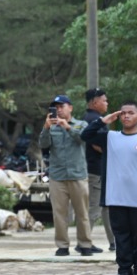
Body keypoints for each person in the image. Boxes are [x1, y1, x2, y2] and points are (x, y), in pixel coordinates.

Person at [83, 101, 137, 275]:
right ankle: (124, 270)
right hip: (116, 196)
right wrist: (103, 121)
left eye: (131, 113)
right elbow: (85, 135)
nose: (126, 116)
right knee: (121, 235)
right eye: (123, 113)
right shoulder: (109, 137)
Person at [39, 95, 97, 257]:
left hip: (78, 175)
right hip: (58, 176)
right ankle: (62, 245)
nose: (58, 109)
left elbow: (83, 139)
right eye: (55, 107)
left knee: (82, 213)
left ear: (70, 108)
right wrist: (46, 127)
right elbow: (43, 145)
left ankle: (85, 244)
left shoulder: (81, 124)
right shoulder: (51, 126)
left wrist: (68, 127)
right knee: (59, 214)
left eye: (61, 106)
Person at [82, 88, 116, 252]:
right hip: (95, 169)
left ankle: (114, 241)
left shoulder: (93, 118)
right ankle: (84, 242)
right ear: (95, 102)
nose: (106, 103)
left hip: (100, 168)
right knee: (95, 207)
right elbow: (97, 144)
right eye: (104, 100)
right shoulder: (94, 120)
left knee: (106, 207)